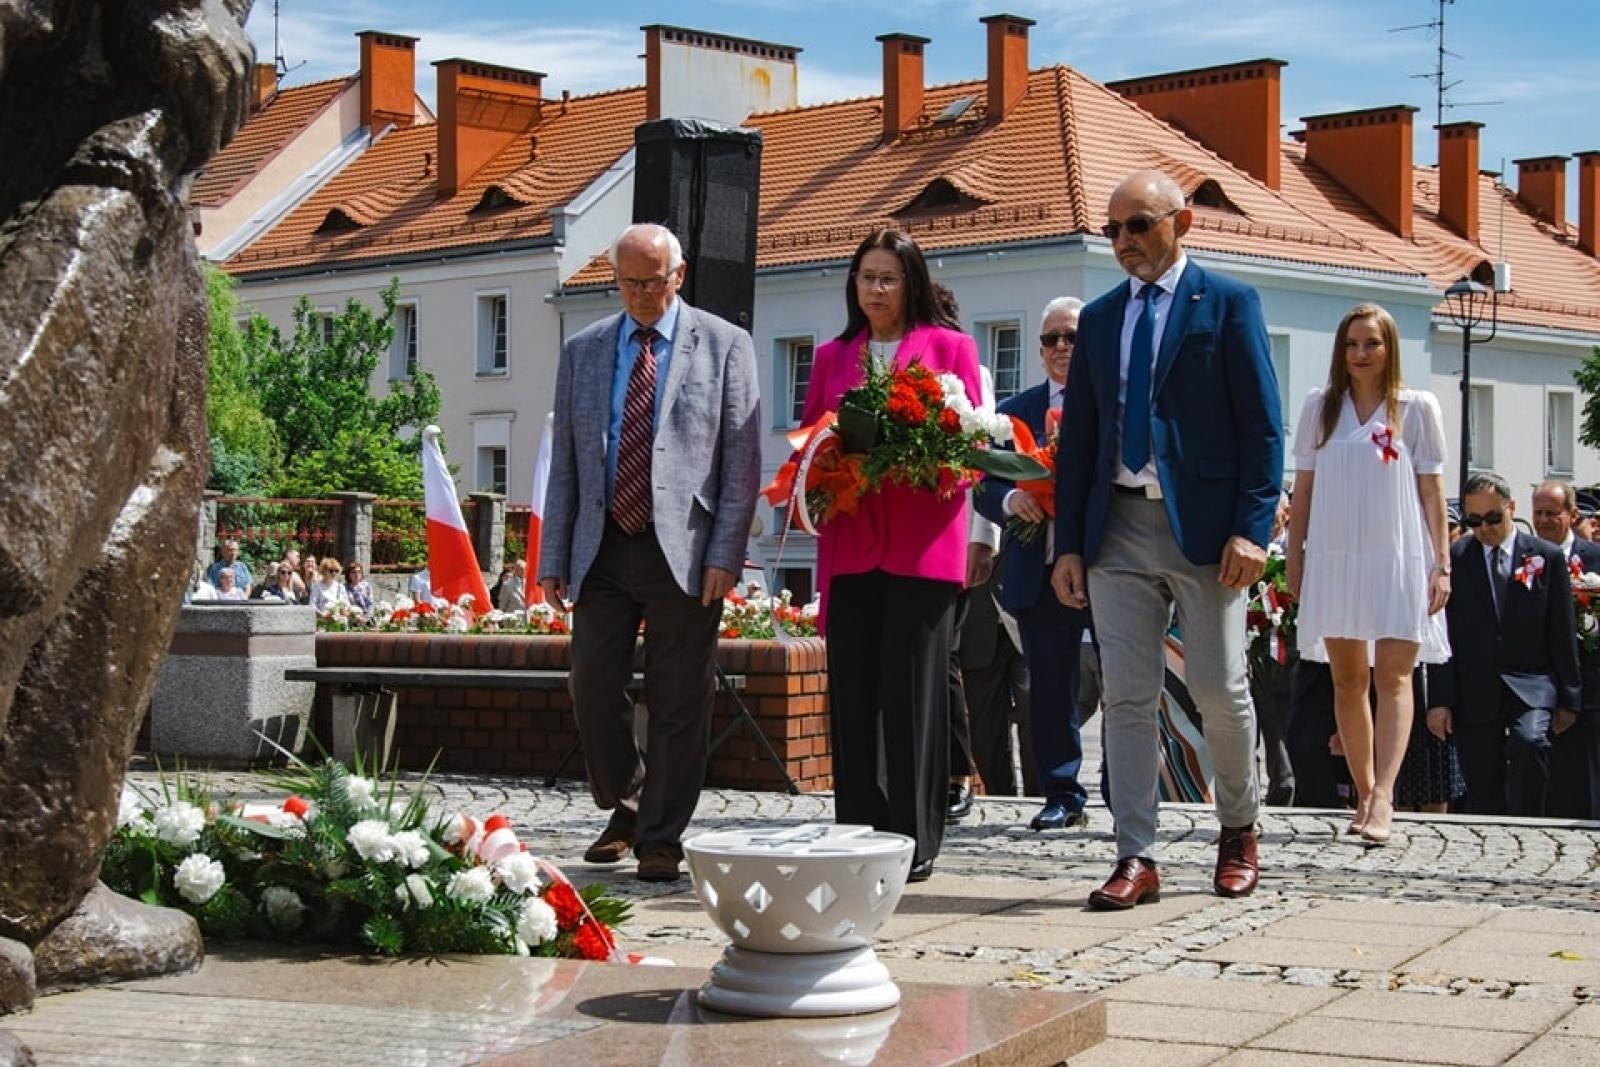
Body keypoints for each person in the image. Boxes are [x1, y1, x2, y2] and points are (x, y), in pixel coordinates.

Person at [1053, 170, 1283, 909]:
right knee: (1128, 694)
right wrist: (1067, 545)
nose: (1124, 243)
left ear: (1181, 223)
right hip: (1115, 527)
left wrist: (1253, 529)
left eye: (1139, 226)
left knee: (1218, 685)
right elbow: (1081, 439)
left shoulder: (1229, 303)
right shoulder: (1099, 318)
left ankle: (1239, 826)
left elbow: (1262, 427)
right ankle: (1135, 854)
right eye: (1114, 229)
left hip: (1205, 532)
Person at [538, 223, 760, 883]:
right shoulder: (584, 350)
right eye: (628, 282)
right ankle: (629, 798)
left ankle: (660, 834)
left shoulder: (725, 345)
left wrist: (726, 549)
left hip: (687, 549)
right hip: (602, 542)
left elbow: (740, 464)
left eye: (653, 281)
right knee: (592, 681)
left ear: (679, 275)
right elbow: (567, 464)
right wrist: (553, 554)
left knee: (678, 696)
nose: (640, 294)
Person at [799, 227, 982, 883]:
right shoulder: (830, 355)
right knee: (853, 693)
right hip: (853, 543)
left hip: (921, 543)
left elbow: (971, 454)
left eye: (888, 278)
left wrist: (927, 459)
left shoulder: (950, 347)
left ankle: (913, 835)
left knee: (912, 694)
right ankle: (858, 828)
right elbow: (813, 447)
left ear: (913, 283)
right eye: (866, 277)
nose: (875, 289)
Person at [1286, 303, 1452, 845]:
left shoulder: (1417, 407)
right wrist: (1295, 555)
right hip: (1335, 556)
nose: (1360, 354)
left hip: (1399, 556)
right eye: (1352, 344)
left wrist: (1441, 563)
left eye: (1371, 344)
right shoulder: (1320, 407)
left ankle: (1385, 796)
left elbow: (1431, 492)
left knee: (1395, 677)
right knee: (1348, 678)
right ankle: (1362, 789)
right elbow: (1303, 490)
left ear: (1389, 348)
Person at [976, 296, 1093, 831]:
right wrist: (1008, 500)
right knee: (1048, 685)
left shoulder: (1108, 404)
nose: (1062, 347)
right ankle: (1061, 792)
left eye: (1071, 336)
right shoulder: (1015, 410)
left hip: (1105, 563)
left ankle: (1129, 793)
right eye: (1051, 339)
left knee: (1129, 684)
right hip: (1036, 567)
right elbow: (982, 478)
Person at [1427, 472, 1580, 816]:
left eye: (1494, 518)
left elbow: (1562, 630)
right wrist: (1440, 700)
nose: (1485, 528)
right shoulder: (1455, 559)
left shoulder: (1546, 557)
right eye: (1475, 520)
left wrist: (1570, 696)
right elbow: (1443, 635)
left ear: (1511, 508)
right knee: (1483, 782)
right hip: (1475, 686)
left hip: (1532, 682)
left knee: (1530, 744)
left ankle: (1528, 822)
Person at [1530, 480, 1600, 819]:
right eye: (1538, 513)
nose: (1542, 521)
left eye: (1551, 513)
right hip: (1541, 682)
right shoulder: (1526, 557)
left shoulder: (1595, 559)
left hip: (1591, 686)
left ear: (1572, 515)